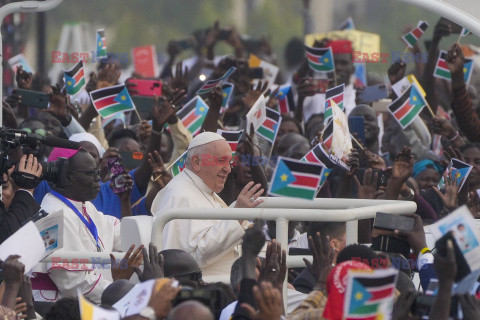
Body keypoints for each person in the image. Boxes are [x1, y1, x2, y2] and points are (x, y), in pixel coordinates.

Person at [33, 148, 141, 303]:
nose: (98, 178)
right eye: (91, 173)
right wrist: (117, 291)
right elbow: (72, 283)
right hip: (61, 309)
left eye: (97, 172)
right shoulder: (51, 215)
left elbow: (118, 230)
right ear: (68, 177)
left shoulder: (85, 207)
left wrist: (146, 239)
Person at [151, 132, 264, 280]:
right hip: (211, 285)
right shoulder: (178, 194)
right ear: (197, 162)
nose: (228, 169)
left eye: (229, 163)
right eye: (221, 161)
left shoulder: (206, 190)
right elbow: (187, 259)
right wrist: (238, 216)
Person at [0, 154, 43, 244]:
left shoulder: (35, 216)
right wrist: (26, 189)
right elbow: (5, 235)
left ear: (15, 190)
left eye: (4, 187)